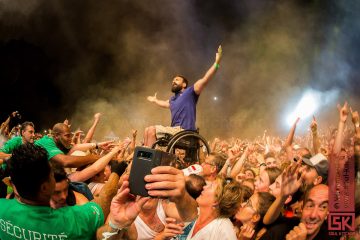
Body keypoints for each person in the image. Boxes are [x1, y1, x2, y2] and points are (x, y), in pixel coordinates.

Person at [0, 143, 123, 240]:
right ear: (45, 187)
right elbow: (104, 201)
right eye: (51, 175)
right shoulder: (72, 221)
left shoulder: (2, 208)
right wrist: (116, 172)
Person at [144, 46, 223, 147]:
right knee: (147, 130)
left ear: (184, 84)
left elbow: (205, 79)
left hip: (184, 132)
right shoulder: (172, 99)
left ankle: (149, 162)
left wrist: (216, 63)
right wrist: (155, 100)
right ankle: (143, 160)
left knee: (151, 130)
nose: (173, 81)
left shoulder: (190, 92)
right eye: (173, 80)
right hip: (174, 131)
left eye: (177, 80)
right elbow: (164, 103)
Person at [35, 123, 99, 167]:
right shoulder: (47, 141)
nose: (70, 139)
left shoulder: (59, 143)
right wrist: (94, 157)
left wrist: (97, 145)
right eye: (67, 136)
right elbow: (66, 161)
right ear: (57, 135)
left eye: (70, 136)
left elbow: (75, 148)